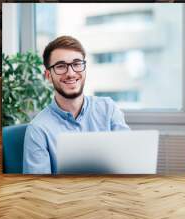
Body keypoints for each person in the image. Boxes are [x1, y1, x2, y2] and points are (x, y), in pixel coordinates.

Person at [23, 35, 130, 174]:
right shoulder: (38, 129)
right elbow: (39, 188)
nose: (71, 73)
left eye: (77, 64)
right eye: (61, 66)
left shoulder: (108, 109)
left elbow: (128, 164)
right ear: (48, 76)